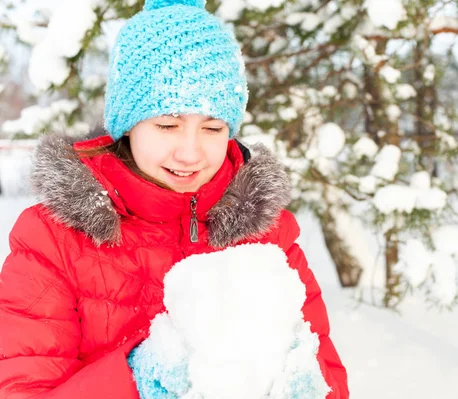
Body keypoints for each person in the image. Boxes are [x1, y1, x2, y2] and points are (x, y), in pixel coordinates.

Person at [0, 0, 349, 398]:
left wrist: (304, 382)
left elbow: (330, 376)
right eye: (167, 124)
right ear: (127, 125)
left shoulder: (269, 234)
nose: (190, 153)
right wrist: (139, 379)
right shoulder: (52, 241)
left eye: (213, 128)